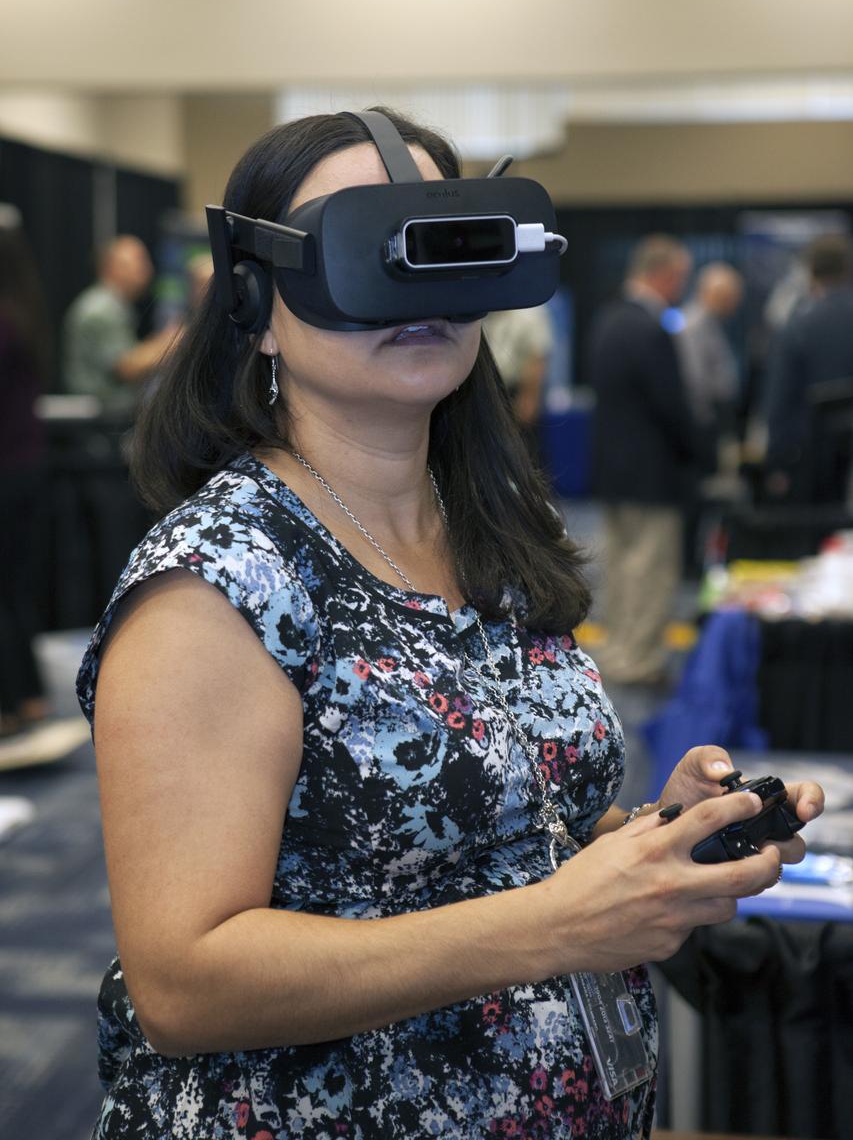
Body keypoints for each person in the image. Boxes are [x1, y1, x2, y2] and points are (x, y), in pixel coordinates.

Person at [78, 112, 823, 1139]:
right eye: (363, 250)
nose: (417, 295)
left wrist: (657, 838)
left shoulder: (490, 534)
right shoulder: (219, 582)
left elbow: (504, 834)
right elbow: (183, 984)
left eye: (442, 248)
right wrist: (556, 923)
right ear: (255, 305)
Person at [589, 235, 698, 687]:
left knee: (620, 567)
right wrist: (698, 451)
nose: (682, 287)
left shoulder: (608, 319)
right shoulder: (650, 328)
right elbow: (671, 405)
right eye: (681, 277)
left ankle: (618, 650)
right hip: (652, 470)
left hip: (612, 467)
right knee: (649, 571)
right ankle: (639, 661)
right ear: (664, 274)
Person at [0, 211, 51, 735]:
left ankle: (8, 705)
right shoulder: (24, 310)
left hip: (7, 467)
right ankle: (29, 695)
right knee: (14, 589)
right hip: (27, 464)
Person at [764, 233, 853, 502]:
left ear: (810, 272)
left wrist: (777, 462)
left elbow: (780, 400)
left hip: (813, 464)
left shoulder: (797, 327)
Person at [62, 235, 179, 414]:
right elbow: (127, 368)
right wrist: (173, 342)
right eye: (139, 262)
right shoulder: (101, 310)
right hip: (99, 418)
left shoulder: (113, 306)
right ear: (113, 267)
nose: (148, 270)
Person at [676, 261, 742, 469]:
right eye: (731, 297)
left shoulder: (712, 323)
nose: (735, 304)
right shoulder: (694, 325)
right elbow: (693, 377)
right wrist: (705, 422)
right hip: (704, 419)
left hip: (715, 416)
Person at [482, 303, 554, 456]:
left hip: (515, 392)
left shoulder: (529, 312)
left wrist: (529, 397)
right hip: (486, 390)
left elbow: (537, 358)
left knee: (522, 452)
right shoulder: (484, 311)